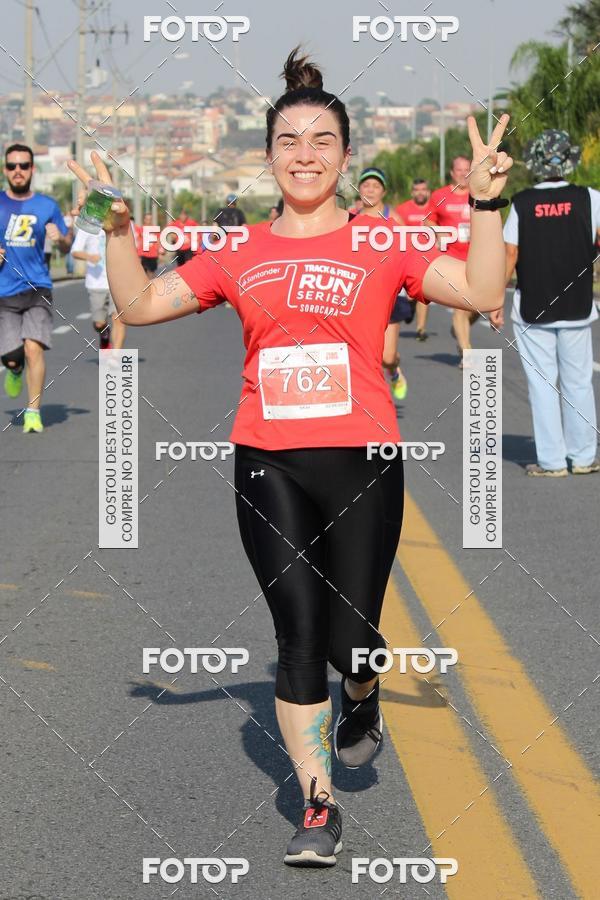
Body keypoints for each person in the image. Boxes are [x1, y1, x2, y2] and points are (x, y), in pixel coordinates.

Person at [69, 47, 511, 868]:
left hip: (365, 462)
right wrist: (120, 232)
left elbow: (484, 292)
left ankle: (364, 690)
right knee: (299, 632)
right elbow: (136, 303)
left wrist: (487, 204)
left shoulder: (385, 240)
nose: (304, 155)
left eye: (320, 141)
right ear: (268, 155)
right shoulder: (239, 251)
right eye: (288, 141)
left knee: (353, 640)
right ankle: (317, 803)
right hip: (268, 462)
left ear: (345, 157)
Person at [493, 130, 600, 477]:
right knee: (579, 382)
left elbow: (511, 253)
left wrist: (495, 299)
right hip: (578, 305)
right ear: (570, 159)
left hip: (533, 306)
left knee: (542, 383)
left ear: (535, 161)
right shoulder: (591, 198)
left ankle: (553, 463)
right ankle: (583, 457)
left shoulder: (522, 202)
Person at [1, 143, 71, 433]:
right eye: (12, 166)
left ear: (32, 169)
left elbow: (68, 245)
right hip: (4, 291)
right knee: (14, 356)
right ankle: (14, 368)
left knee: (34, 349)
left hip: (38, 287)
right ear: (6, 170)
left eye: (24, 166)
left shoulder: (47, 206)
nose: (18, 171)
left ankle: (33, 411)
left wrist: (60, 239)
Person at [356, 166, 409, 401]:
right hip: (359, 293)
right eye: (366, 185)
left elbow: (407, 254)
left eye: (375, 186)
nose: (370, 189)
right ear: (359, 189)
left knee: (387, 357)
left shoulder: (394, 218)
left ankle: (394, 371)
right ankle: (368, 400)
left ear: (383, 191)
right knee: (361, 352)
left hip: (390, 292)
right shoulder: (349, 218)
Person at [429, 156, 477, 366]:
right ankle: (467, 355)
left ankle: (459, 328)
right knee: (460, 307)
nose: (464, 173)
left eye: (467, 169)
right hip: (452, 259)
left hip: (476, 258)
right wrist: (437, 234)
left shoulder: (478, 195)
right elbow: (429, 220)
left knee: (477, 306)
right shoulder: (440, 195)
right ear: (452, 172)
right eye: (459, 170)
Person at [72, 216, 127, 352]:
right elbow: (75, 251)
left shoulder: (121, 224)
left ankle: (115, 356)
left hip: (118, 281)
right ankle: (104, 333)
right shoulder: (88, 226)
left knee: (119, 319)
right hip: (96, 283)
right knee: (99, 323)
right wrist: (90, 257)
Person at [396, 178, 435, 341]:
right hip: (408, 258)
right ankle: (410, 307)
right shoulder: (402, 209)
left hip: (429, 258)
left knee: (424, 293)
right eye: (417, 189)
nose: (420, 192)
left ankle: (421, 329)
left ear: (428, 192)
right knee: (412, 295)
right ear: (412, 192)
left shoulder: (435, 209)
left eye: (423, 189)